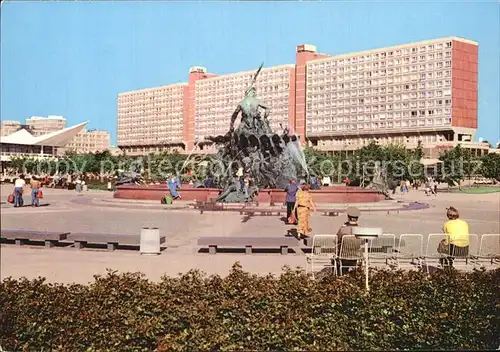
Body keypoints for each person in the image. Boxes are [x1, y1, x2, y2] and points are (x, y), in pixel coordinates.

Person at [336, 207, 361, 274]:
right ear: (357, 218)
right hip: (355, 256)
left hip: (343, 256)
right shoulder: (360, 230)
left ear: (348, 217)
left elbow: (336, 240)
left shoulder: (343, 229)